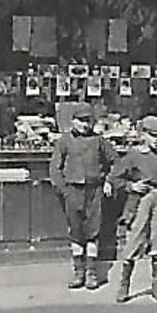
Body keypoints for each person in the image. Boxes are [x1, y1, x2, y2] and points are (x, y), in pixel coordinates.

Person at [49, 101, 118, 291]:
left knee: (93, 232)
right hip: (73, 191)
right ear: (72, 122)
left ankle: (91, 273)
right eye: (81, 121)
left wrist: (109, 181)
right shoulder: (64, 141)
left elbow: (116, 162)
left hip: (94, 191)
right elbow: (55, 170)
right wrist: (65, 191)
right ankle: (78, 271)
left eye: (88, 121)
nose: (85, 125)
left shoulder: (99, 141)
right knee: (76, 232)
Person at [107, 114, 157, 303]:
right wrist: (132, 187)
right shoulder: (133, 156)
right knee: (134, 242)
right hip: (139, 202)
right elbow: (115, 178)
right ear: (143, 134)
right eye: (153, 135)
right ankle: (124, 286)